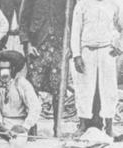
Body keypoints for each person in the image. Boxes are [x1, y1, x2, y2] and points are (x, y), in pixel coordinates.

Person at [71, 0, 123, 135]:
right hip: (87, 51)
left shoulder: (115, 3)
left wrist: (120, 47)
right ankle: (82, 125)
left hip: (107, 51)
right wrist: (76, 55)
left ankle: (109, 127)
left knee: (109, 89)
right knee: (84, 89)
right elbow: (75, 31)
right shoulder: (82, 4)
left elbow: (121, 26)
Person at [19, 0, 66, 126]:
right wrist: (27, 44)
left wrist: (70, 46)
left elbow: (72, 18)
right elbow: (23, 19)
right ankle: (32, 126)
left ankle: (57, 127)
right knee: (33, 87)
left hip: (58, 45)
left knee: (58, 87)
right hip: (37, 46)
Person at [0, 50, 41, 134]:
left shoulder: (20, 83)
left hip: (18, 124)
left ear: (12, 69)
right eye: (1, 69)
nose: (4, 72)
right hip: (0, 124)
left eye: (7, 69)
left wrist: (26, 126)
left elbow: (35, 107)